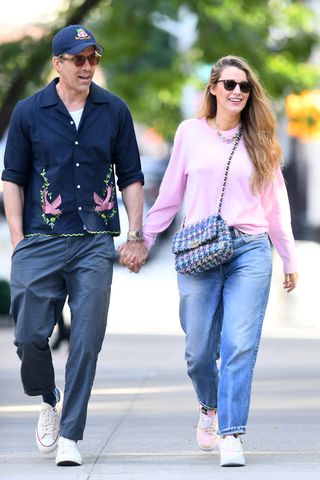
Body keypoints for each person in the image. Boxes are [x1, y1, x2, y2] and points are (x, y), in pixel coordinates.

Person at [141, 55, 298, 467]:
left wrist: (288, 256)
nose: (236, 92)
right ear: (212, 88)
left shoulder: (261, 137)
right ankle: (208, 406)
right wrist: (145, 237)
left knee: (238, 344)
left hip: (249, 247)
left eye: (244, 87)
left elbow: (275, 203)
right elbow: (171, 193)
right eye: (229, 84)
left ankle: (231, 432)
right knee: (197, 350)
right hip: (200, 250)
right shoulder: (189, 133)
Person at [2, 24, 147, 467]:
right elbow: (13, 180)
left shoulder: (114, 111)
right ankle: (48, 396)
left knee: (86, 339)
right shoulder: (29, 112)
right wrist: (18, 241)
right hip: (41, 239)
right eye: (78, 59)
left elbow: (132, 178)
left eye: (93, 59)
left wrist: (135, 235)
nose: (87, 67)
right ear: (58, 63)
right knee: (28, 335)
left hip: (94, 242)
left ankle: (71, 434)